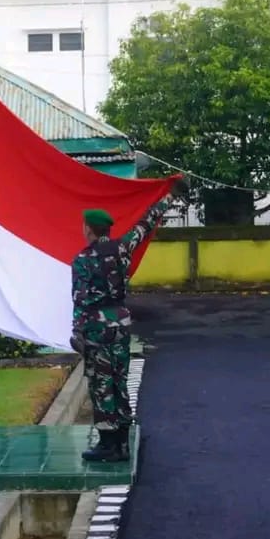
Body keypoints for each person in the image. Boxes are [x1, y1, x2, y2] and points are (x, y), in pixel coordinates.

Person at [71, 178, 187, 462]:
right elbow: (146, 223)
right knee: (119, 381)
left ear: (89, 229)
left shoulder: (83, 260)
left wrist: (77, 332)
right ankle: (122, 441)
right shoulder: (123, 248)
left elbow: (80, 299)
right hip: (120, 323)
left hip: (96, 327)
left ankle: (108, 444)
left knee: (101, 384)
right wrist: (169, 197)